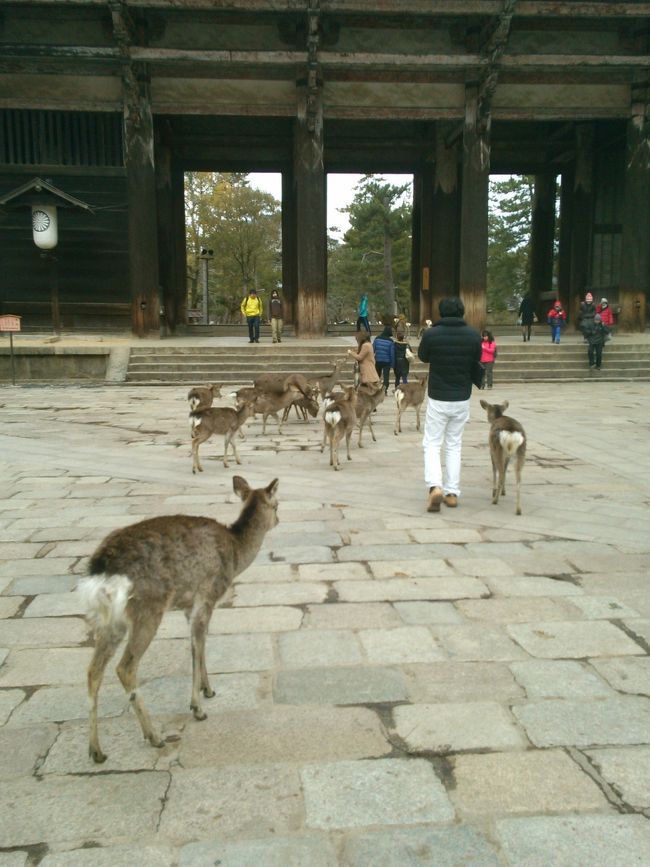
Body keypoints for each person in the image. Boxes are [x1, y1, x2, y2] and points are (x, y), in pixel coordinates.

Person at [417, 297, 482, 513]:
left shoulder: (432, 334)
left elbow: (423, 356)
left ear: (441, 312)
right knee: (454, 444)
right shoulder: (473, 335)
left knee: (433, 443)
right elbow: (478, 358)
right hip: (461, 395)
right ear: (462, 311)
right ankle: (452, 492)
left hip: (438, 395)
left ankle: (435, 486)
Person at [372, 326, 395, 394]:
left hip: (378, 360)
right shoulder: (390, 341)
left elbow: (373, 349)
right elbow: (392, 354)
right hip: (386, 362)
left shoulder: (377, 339)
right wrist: (392, 364)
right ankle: (384, 390)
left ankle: (375, 389)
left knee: (376, 376)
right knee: (386, 377)